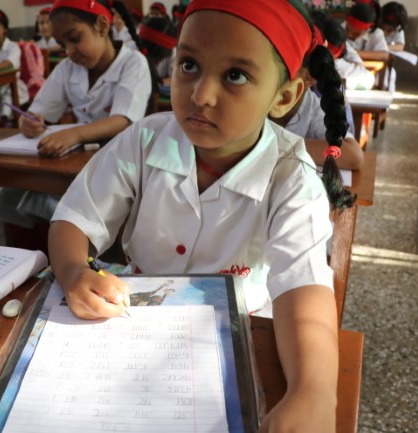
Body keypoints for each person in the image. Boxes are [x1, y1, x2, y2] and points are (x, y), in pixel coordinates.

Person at [48, 1, 353, 431]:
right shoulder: (144, 139)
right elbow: (75, 218)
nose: (200, 95)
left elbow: (303, 289)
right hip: (132, 326)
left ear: (284, 96)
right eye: (189, 65)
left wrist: (312, 392)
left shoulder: (291, 177)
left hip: (244, 335)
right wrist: (73, 270)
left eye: (235, 75)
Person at [0, 0, 152, 253]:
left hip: (122, 162)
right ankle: (37, 258)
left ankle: (67, 256)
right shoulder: (67, 68)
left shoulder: (133, 63)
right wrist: (27, 121)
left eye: (74, 39)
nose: (69, 51)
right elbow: (38, 110)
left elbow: (123, 121)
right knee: (11, 192)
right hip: (78, 158)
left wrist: (74, 134)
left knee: (47, 199)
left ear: (102, 26)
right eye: (63, 44)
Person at [312, 10, 375, 90]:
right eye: (347, 29)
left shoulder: (334, 34)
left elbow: (349, 51)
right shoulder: (331, 57)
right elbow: (366, 78)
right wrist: (357, 65)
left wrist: (358, 63)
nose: (350, 34)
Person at [138, 15, 177, 90]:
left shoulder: (173, 52)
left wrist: (155, 82)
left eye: (156, 61)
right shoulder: (132, 52)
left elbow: (175, 78)